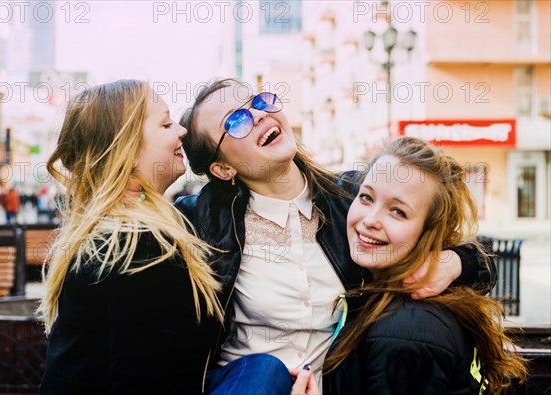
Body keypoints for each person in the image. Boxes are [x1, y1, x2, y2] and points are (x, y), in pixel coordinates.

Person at [176, 78, 496, 394]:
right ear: (222, 169)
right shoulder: (198, 222)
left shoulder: (357, 199)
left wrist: (452, 262)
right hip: (249, 386)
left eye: (258, 102)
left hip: (336, 386)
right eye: (236, 120)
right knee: (264, 372)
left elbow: (479, 254)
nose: (258, 115)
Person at [38, 79, 225, 394]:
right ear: (126, 149)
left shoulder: (113, 235)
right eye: (165, 124)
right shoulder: (137, 246)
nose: (181, 131)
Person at [322, 137, 527, 394]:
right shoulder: (391, 290)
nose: (371, 219)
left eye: (398, 212)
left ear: (429, 233)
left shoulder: (403, 335)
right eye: (366, 197)